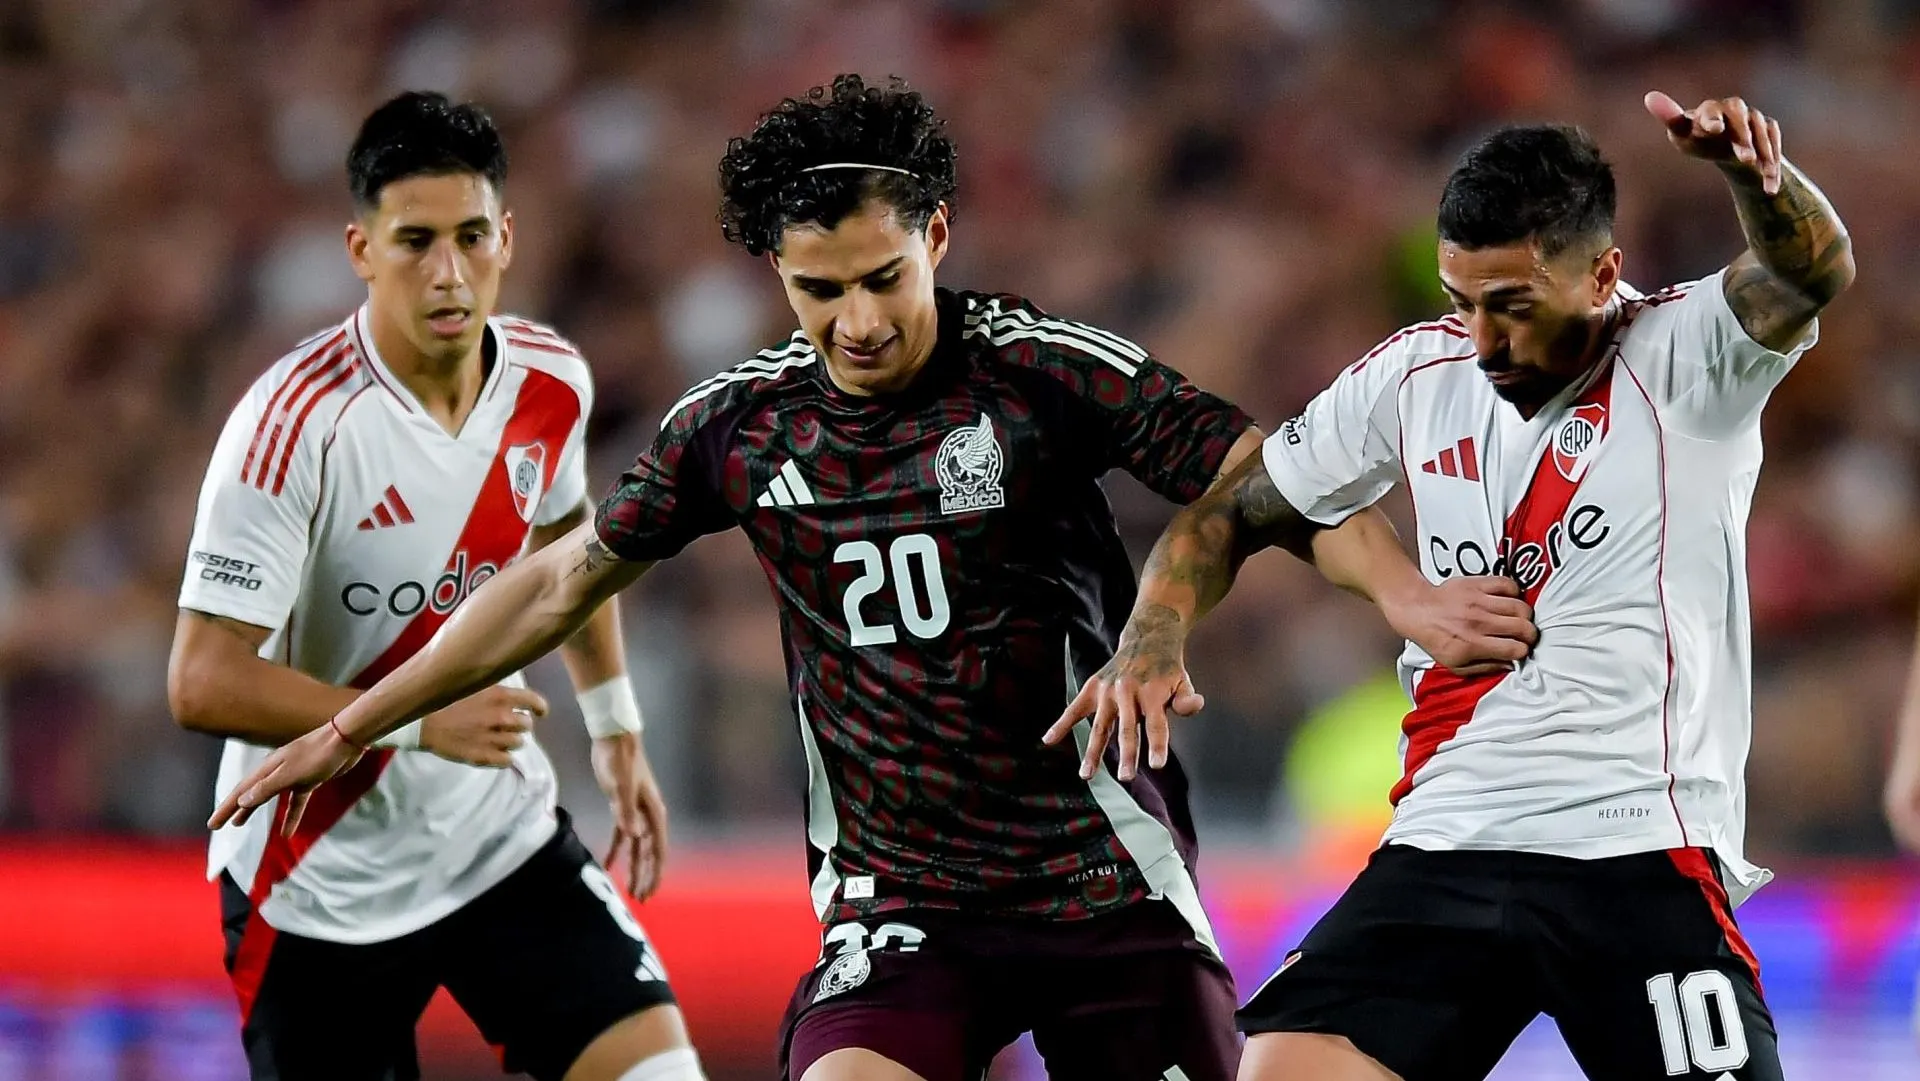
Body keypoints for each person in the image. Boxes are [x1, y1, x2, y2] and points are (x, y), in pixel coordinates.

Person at [207, 75, 1526, 1081]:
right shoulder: (736, 424)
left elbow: (1266, 478)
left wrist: (1400, 595)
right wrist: (348, 720)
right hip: (899, 904)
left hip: (1100, 877)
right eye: (816, 290)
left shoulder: (1043, 371)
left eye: (883, 279)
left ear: (937, 235)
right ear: (778, 277)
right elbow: (560, 584)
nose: (855, 322)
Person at [1056, 92, 1852, 1081]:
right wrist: (1152, 640)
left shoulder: (1690, 354)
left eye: (1512, 305)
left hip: (1637, 844)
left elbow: (1809, 267)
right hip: (1450, 838)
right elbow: (1230, 512)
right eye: (1461, 299)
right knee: (1283, 1067)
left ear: (1602, 273)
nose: (1483, 341)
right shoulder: (1417, 374)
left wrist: (1756, 181)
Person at [171, 91, 700, 1081]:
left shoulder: (551, 382)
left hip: (495, 839)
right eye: (415, 241)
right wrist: (417, 721)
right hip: (320, 881)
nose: (448, 271)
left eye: (469, 236)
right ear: (361, 249)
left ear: (507, 237)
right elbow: (199, 680)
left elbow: (570, 556)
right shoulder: (295, 426)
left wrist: (617, 729)